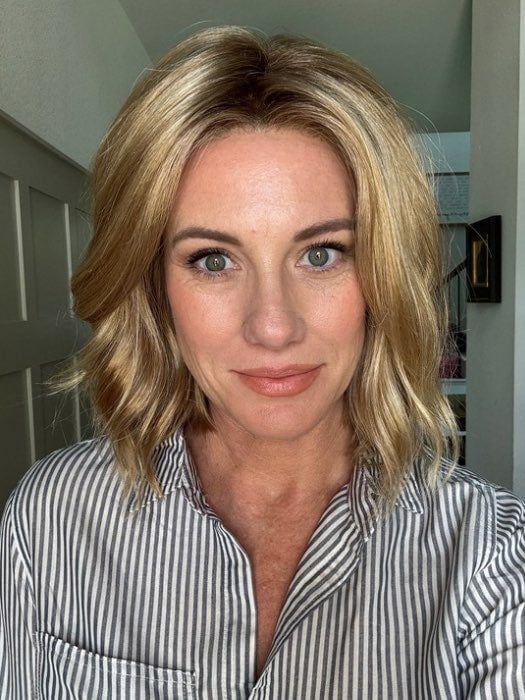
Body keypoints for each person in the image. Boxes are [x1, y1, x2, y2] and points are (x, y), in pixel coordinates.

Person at [1, 25, 524, 699]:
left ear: (382, 276)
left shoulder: (486, 558)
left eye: (322, 253)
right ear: (155, 287)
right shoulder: (53, 516)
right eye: (212, 260)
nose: (273, 326)